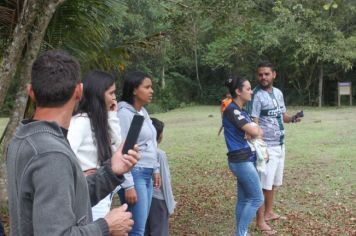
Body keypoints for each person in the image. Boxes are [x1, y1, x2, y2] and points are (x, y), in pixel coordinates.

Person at [6, 50, 140, 236]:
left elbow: (70, 198)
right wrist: (106, 226)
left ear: (31, 92)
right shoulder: (51, 153)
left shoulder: (23, 137)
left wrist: (111, 171)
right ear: (79, 91)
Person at [249, 62, 302, 234]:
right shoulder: (256, 95)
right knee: (264, 184)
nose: (263, 77)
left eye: (266, 74)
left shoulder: (278, 93)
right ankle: (261, 219)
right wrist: (260, 146)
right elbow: (253, 122)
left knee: (273, 183)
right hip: (267, 147)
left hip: (280, 144)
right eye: (260, 75)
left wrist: (293, 118)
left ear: (274, 74)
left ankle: (269, 212)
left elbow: (282, 115)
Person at [68, 70, 122, 221]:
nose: (114, 97)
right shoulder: (80, 121)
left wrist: (112, 116)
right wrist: (79, 175)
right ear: (99, 93)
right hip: (88, 192)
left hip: (102, 191)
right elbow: (65, 154)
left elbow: (118, 151)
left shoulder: (99, 121)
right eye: (111, 93)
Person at [117, 71, 160, 236]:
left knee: (139, 227)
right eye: (147, 87)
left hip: (147, 173)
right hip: (135, 174)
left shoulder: (143, 112)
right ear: (134, 90)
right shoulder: (124, 114)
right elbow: (122, 151)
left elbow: (151, 143)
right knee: (136, 230)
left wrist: (155, 168)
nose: (151, 91)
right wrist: (128, 185)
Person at [222, 76, 264, 236]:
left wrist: (255, 131)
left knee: (244, 199)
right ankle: (240, 233)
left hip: (244, 158)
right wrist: (254, 131)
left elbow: (257, 131)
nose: (251, 91)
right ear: (238, 91)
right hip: (241, 160)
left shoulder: (241, 111)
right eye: (248, 89)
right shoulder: (232, 110)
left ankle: (241, 233)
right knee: (257, 199)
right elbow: (255, 131)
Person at [144, 118, 176, 236]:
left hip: (145, 197)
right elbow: (165, 182)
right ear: (159, 135)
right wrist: (170, 204)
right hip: (159, 200)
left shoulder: (141, 152)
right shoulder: (159, 154)